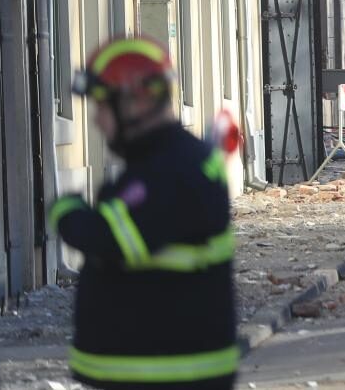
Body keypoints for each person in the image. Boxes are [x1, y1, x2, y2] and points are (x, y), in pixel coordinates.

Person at [51, 37, 238, 389]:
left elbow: (111, 238)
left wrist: (67, 211)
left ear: (137, 101)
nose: (96, 119)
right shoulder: (170, 163)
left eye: (102, 106)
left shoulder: (172, 171)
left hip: (167, 375)